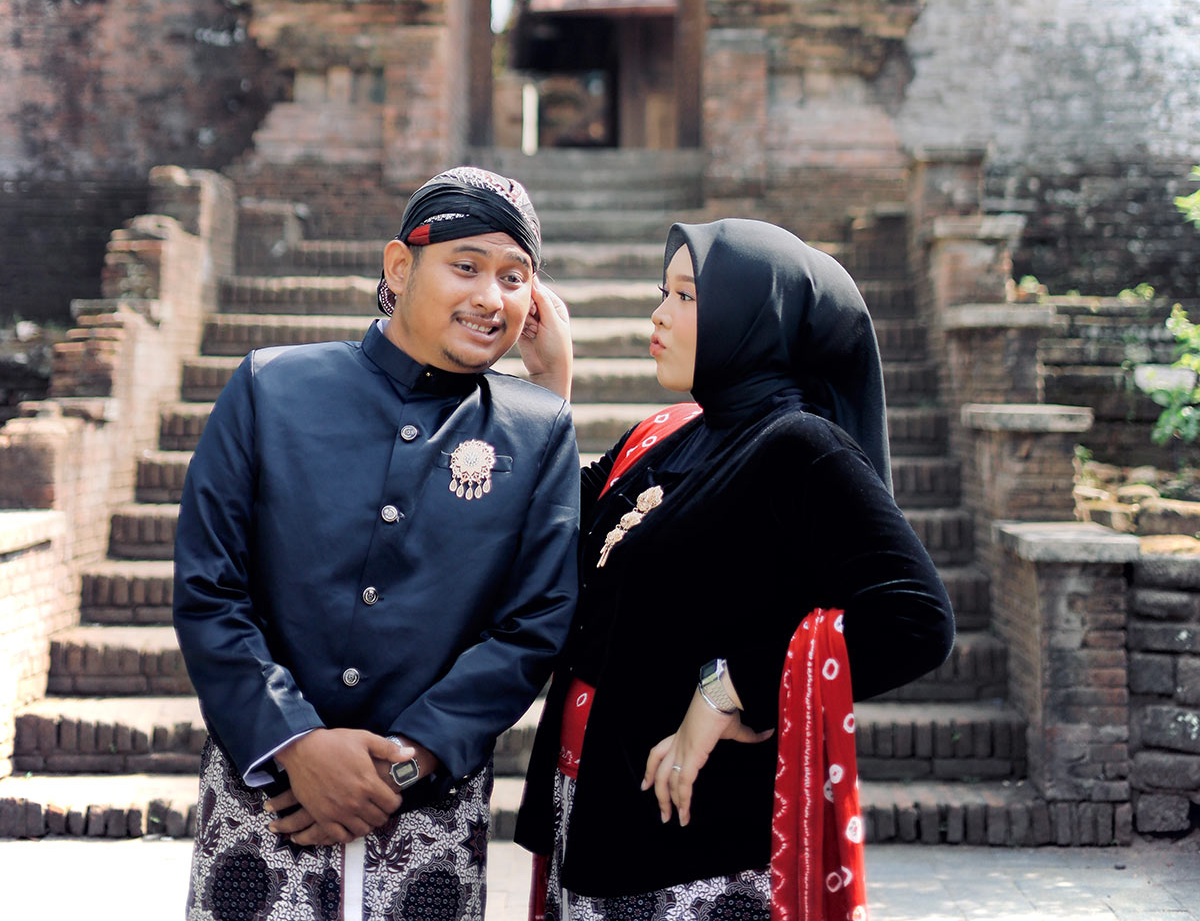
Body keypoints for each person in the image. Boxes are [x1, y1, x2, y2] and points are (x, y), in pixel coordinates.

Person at [514, 218, 956, 921]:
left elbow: (915, 619)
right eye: (664, 292)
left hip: (689, 844)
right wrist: (547, 381)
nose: (659, 315)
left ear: (755, 318)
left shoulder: (800, 448)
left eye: (687, 297)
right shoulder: (662, 437)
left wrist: (727, 689)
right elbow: (547, 526)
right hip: (590, 804)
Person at [174, 166, 580, 921]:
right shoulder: (271, 389)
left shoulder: (536, 430)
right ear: (399, 266)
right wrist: (294, 743)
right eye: (466, 266)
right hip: (266, 802)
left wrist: (407, 761)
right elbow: (210, 588)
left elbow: (535, 623)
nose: (492, 298)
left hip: (430, 815)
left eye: (514, 276)